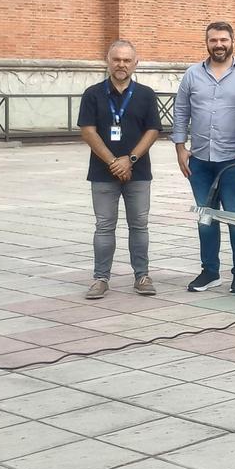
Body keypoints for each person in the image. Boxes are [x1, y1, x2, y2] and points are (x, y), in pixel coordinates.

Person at [173, 21, 235, 294]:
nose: (218, 45)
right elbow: (180, 111)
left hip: (234, 160)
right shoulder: (192, 74)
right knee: (205, 217)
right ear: (207, 42)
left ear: (233, 41)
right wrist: (180, 147)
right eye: (213, 40)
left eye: (223, 39)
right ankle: (209, 271)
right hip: (199, 160)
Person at [78, 39, 161, 300]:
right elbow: (87, 131)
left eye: (127, 60)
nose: (121, 65)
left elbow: (153, 130)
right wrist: (114, 162)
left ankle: (142, 276)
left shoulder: (146, 94)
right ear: (108, 61)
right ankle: (100, 278)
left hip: (138, 172)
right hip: (103, 173)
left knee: (140, 225)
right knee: (104, 226)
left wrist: (131, 159)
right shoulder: (93, 94)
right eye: (116, 59)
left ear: (136, 63)